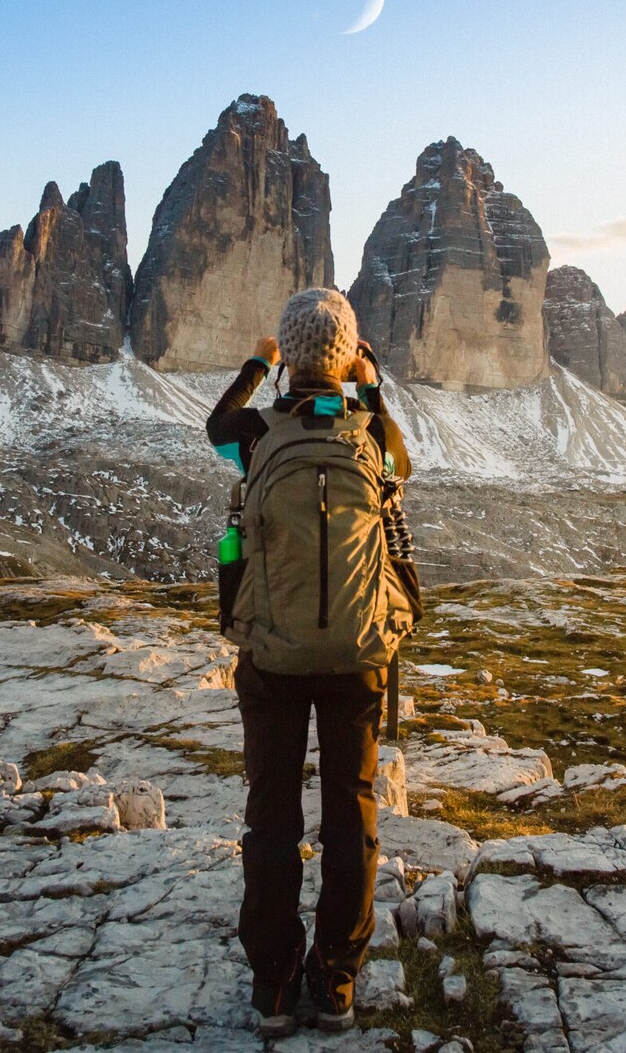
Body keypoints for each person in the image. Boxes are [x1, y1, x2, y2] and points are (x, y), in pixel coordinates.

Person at [206, 287, 418, 1037]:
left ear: (292, 356)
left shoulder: (256, 436)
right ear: (348, 352)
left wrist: (259, 363)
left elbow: (214, 426)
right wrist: (369, 382)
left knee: (271, 816)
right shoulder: (372, 437)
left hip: (271, 657)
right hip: (359, 655)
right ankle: (334, 979)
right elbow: (405, 463)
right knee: (350, 811)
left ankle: (272, 983)